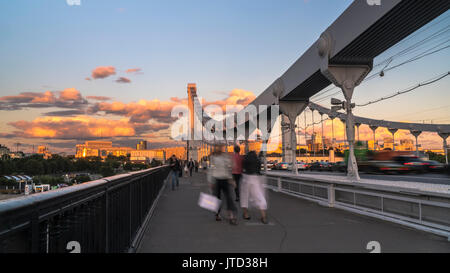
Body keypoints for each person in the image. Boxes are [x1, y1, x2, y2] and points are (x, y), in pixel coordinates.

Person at [209, 144, 237, 225]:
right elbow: (211, 169)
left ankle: (231, 216)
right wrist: (211, 181)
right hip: (217, 179)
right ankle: (218, 214)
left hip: (225, 179)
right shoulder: (213, 157)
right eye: (221, 147)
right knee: (218, 198)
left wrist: (231, 179)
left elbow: (229, 168)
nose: (222, 148)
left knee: (229, 198)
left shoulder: (225, 156)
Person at [241, 150, 268, 224]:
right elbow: (259, 170)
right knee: (259, 197)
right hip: (255, 178)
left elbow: (243, 169)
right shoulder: (258, 161)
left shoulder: (245, 160)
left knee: (245, 197)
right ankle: (263, 216)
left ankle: (246, 214)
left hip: (246, 178)